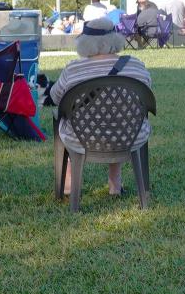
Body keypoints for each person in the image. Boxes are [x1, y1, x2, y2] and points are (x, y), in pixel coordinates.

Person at [50, 17, 152, 196]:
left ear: (84, 43)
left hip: (82, 139)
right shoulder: (136, 66)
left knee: (63, 119)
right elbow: (146, 96)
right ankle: (115, 184)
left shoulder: (73, 69)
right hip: (131, 136)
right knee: (116, 115)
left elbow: (56, 97)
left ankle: (68, 186)